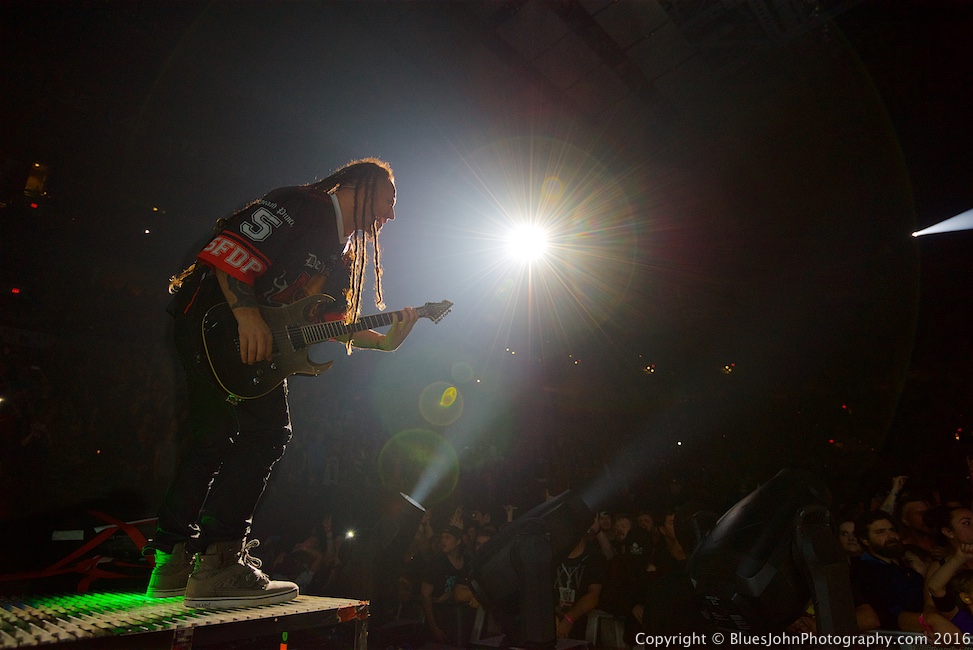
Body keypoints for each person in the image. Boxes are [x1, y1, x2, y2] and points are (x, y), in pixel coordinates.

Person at [143, 158, 419, 608]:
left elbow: (332, 324)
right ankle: (218, 560)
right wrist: (247, 314)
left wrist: (385, 343)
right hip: (212, 322)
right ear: (359, 185)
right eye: (389, 200)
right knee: (265, 432)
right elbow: (228, 248)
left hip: (250, 342)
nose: (390, 215)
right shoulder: (301, 203)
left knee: (211, 438)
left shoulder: (340, 258)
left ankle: (172, 561)